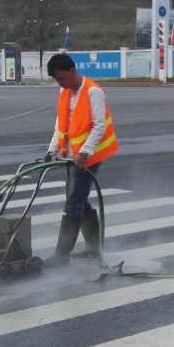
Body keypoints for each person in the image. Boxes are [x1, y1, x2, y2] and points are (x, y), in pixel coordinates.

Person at [44, 53, 120, 265]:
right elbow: (61, 124)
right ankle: (93, 248)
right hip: (71, 156)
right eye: (56, 79)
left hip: (90, 155)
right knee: (78, 197)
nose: (60, 82)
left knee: (74, 202)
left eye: (62, 78)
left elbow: (99, 126)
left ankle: (61, 256)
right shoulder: (65, 91)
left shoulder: (93, 91)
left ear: (72, 70)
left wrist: (85, 152)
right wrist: (51, 150)